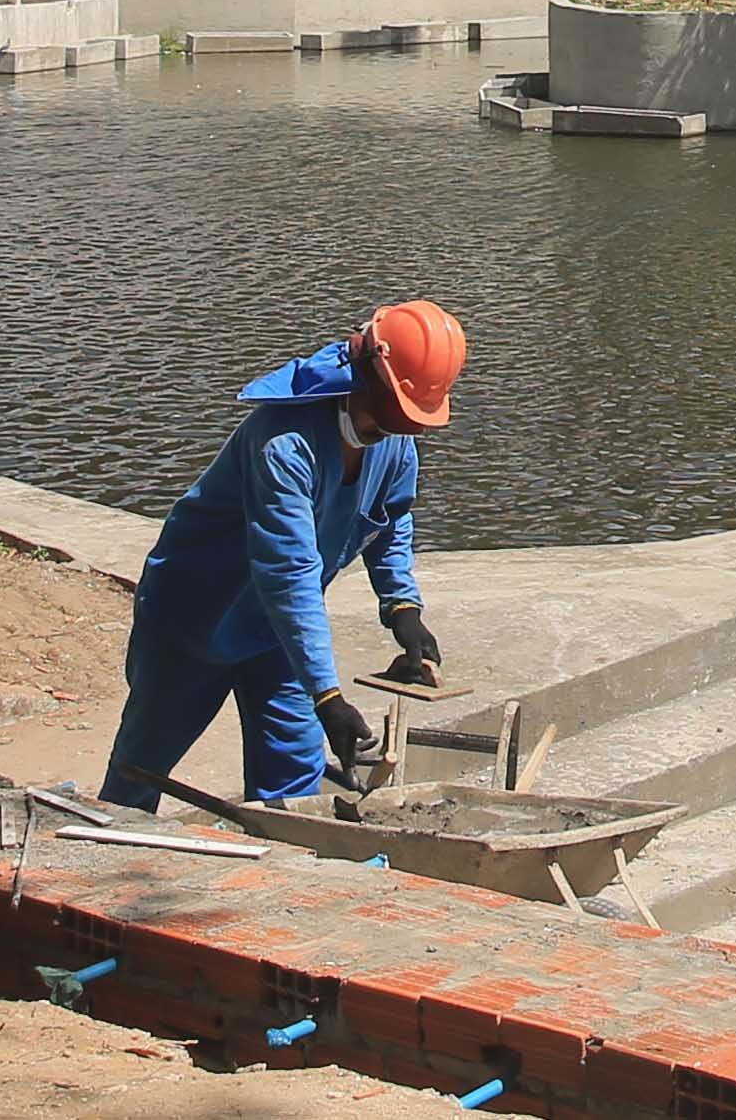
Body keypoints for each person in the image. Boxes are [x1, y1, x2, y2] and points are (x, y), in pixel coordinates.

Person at [98, 301, 467, 812]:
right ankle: (100, 860)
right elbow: (289, 570)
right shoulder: (283, 444)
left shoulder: (394, 441)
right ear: (367, 377)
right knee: (142, 768)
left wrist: (403, 607)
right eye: (399, 412)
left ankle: (286, 877)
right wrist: (328, 696)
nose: (412, 429)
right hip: (193, 619)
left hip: (277, 633)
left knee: (293, 779)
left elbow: (391, 518)